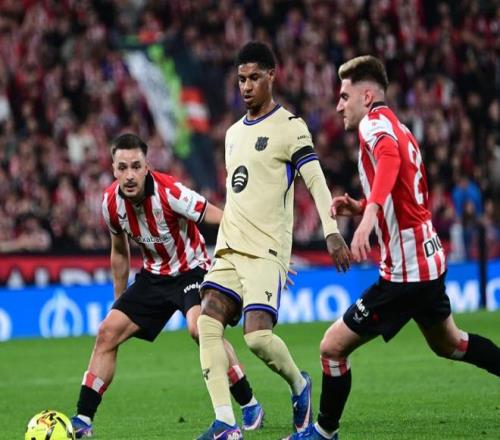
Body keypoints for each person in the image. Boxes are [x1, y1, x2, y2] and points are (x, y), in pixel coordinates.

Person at [283, 55, 500, 440]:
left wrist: (369, 216)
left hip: (405, 273)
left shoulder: (374, 125)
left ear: (367, 97)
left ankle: (323, 431)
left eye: (344, 96)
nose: (339, 106)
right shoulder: (400, 126)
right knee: (450, 343)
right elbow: (404, 193)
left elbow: (388, 159)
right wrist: (362, 206)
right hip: (428, 261)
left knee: (331, 348)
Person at [196, 42, 350, 440]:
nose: (246, 86)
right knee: (207, 321)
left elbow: (315, 181)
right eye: (241, 79)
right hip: (229, 247)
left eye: (253, 78)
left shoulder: (290, 127)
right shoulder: (232, 134)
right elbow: (243, 194)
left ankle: (299, 384)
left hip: (264, 251)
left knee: (257, 338)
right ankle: (226, 422)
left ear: (271, 76)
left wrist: (331, 231)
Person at [70, 133, 263, 438]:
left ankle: (249, 403)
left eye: (136, 166)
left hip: (192, 270)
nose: (129, 175)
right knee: (107, 332)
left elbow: (216, 215)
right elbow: (119, 252)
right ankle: (83, 419)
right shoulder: (110, 203)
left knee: (200, 329)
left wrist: (256, 243)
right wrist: (119, 301)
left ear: (146, 167)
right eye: (123, 167)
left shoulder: (170, 191)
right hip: (153, 276)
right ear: (113, 169)